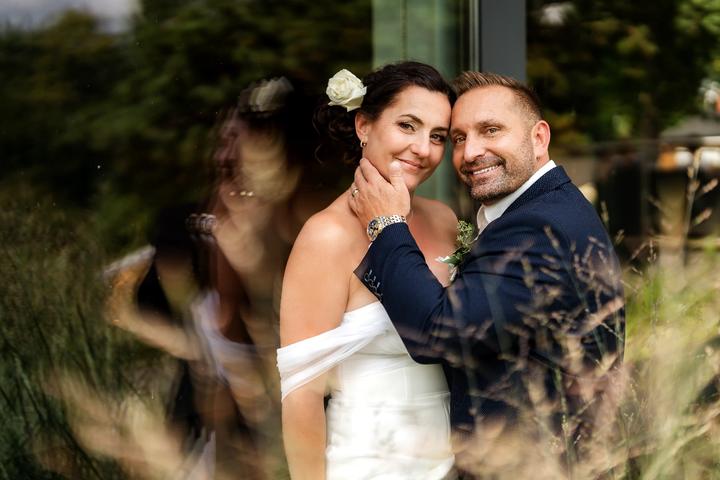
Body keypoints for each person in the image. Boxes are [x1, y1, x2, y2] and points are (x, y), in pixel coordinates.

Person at [349, 72, 625, 476]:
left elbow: (439, 332)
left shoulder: (538, 227)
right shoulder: (546, 209)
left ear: (539, 138)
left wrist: (386, 225)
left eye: (490, 130)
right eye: (458, 138)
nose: (471, 152)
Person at [277, 62, 459, 479]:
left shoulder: (444, 219)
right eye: (407, 126)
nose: (423, 149)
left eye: (437, 136)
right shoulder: (327, 236)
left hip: (451, 458)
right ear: (363, 125)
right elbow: (302, 395)